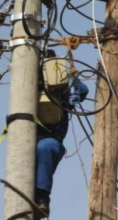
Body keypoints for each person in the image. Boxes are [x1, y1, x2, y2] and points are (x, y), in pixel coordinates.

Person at [35, 78, 89, 219]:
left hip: (50, 140)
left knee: (45, 147)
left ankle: (42, 198)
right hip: (26, 143)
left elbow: (82, 90)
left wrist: (63, 77)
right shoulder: (26, 92)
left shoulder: (60, 94)